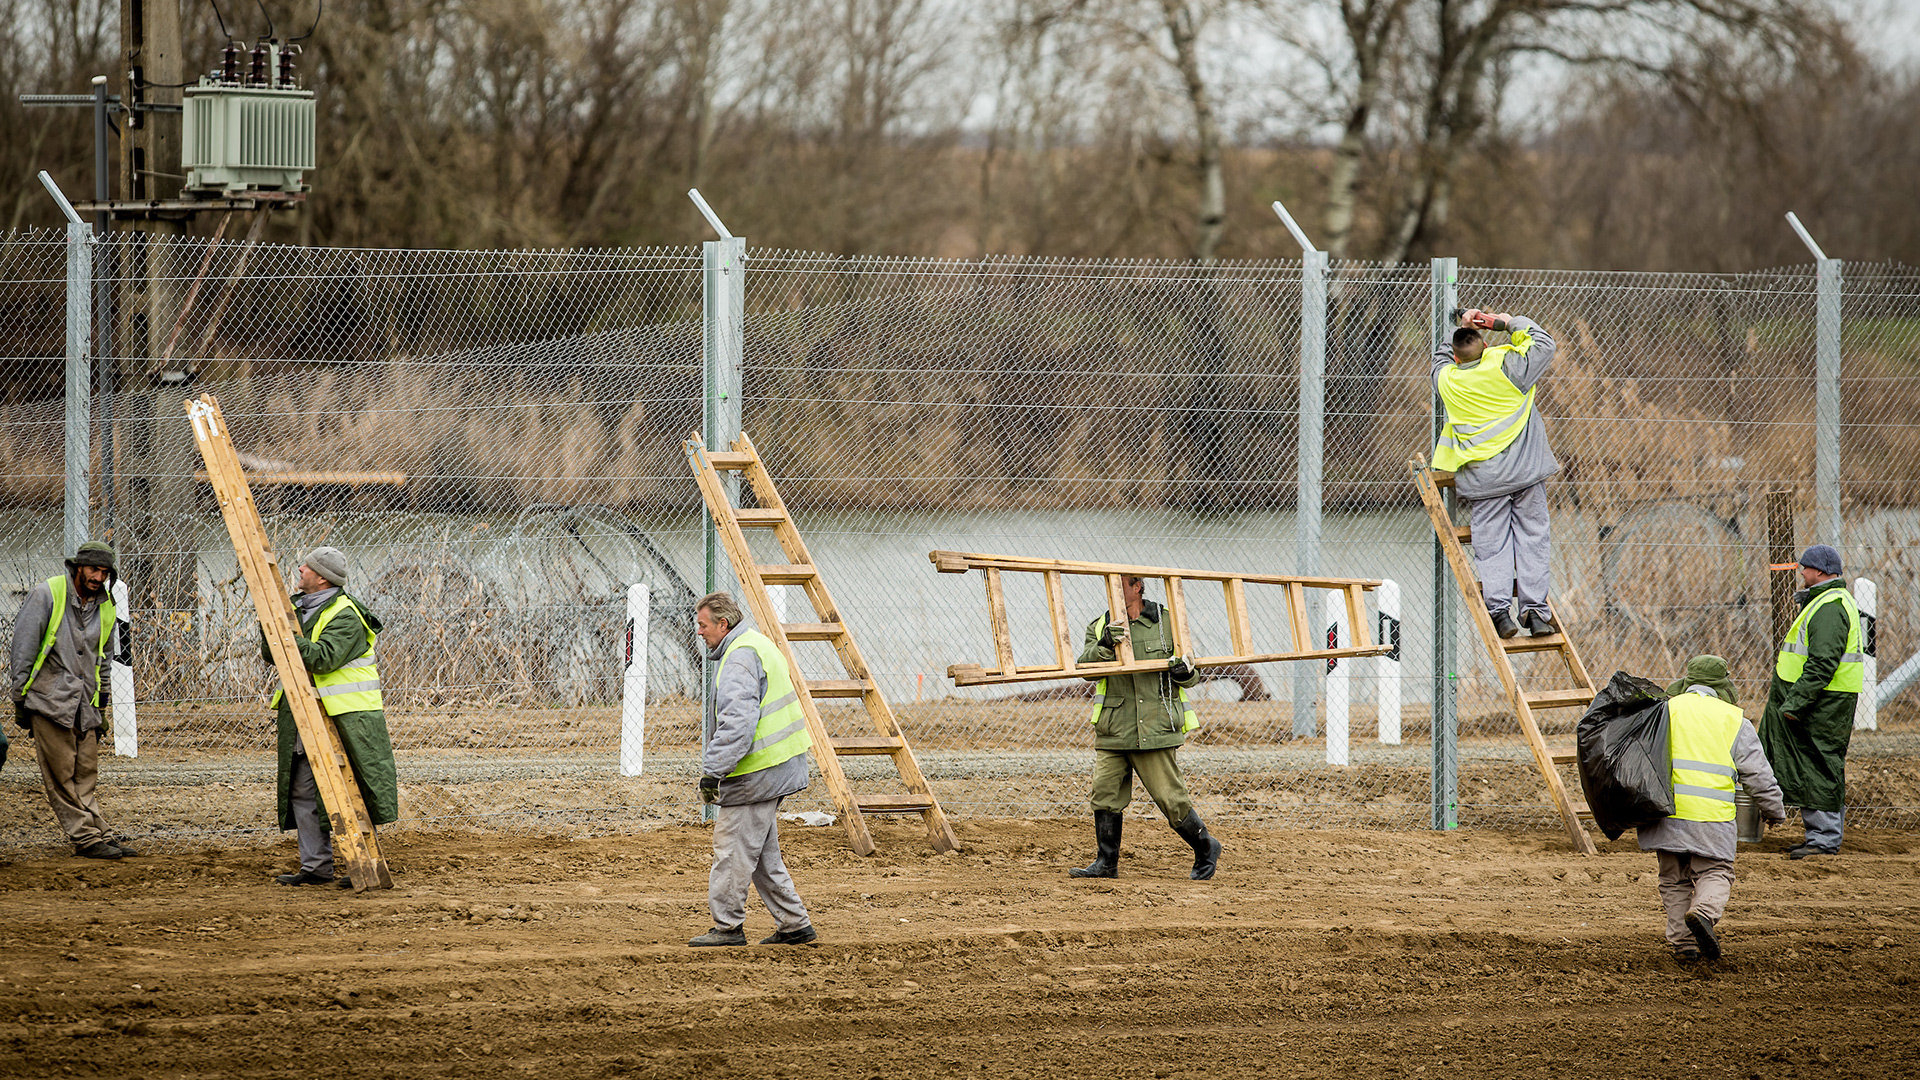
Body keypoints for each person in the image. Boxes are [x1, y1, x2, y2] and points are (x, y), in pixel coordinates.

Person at [1068, 574, 1222, 881]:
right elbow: (1085, 668)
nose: (1114, 592)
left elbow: (1192, 676)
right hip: (1115, 729)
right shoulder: (1100, 626)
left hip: (1155, 727)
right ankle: (1106, 863)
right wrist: (1105, 644)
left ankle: (1206, 846)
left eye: (1121, 585)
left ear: (1138, 587)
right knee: (1104, 794)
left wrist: (1183, 671)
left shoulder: (1169, 622)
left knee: (1170, 799)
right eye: (1110, 586)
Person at [262, 547, 399, 886]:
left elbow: (323, 658)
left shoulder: (347, 615)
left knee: (350, 795)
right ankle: (315, 868)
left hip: (347, 722)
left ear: (322, 577)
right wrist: (272, 626)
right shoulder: (294, 610)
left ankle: (361, 865)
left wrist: (286, 637)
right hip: (304, 717)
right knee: (303, 792)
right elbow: (271, 653)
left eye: (307, 566)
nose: (300, 569)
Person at [689, 592, 818, 947]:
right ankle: (794, 925)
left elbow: (737, 726)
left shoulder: (738, 660)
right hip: (777, 766)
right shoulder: (757, 643)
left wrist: (713, 771)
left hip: (755, 772)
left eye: (702, 625)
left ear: (722, 624)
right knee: (761, 853)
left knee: (731, 849)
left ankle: (727, 927)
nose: (699, 632)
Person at [1638, 655, 1786, 961]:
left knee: (1673, 879)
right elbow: (1758, 775)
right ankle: (1703, 913)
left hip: (1664, 814)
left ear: (1688, 683)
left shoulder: (1663, 711)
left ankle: (1684, 945)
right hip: (1711, 819)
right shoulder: (1735, 721)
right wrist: (1774, 810)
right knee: (1716, 871)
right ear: (1722, 687)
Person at [1431, 308, 1561, 639]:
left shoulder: (1449, 381)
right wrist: (1503, 323)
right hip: (1526, 475)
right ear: (1486, 346)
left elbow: (1440, 360)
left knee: (1492, 548)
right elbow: (1544, 343)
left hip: (1483, 483)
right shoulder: (1508, 367)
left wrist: (1459, 329)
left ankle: (1500, 613)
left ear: (1457, 359)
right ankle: (1535, 613)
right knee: (1533, 540)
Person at [7, 541, 134, 858]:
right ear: (78, 567)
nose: (98, 577)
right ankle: (85, 838)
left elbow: (103, 655)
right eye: (93, 569)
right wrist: (20, 698)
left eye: (104, 572)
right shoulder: (48, 594)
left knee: (86, 771)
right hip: (50, 699)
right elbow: (23, 649)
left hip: (85, 703)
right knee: (61, 775)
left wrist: (102, 702)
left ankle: (99, 831)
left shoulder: (105, 604)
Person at [1759, 544, 1864, 859]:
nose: (1801, 573)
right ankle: (1821, 837)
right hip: (1820, 701)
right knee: (1813, 764)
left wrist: (1795, 705)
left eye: (1805, 568)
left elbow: (1822, 663)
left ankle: (1824, 840)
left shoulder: (1830, 607)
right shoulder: (1826, 601)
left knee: (1818, 764)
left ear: (1819, 571)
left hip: (1821, 703)